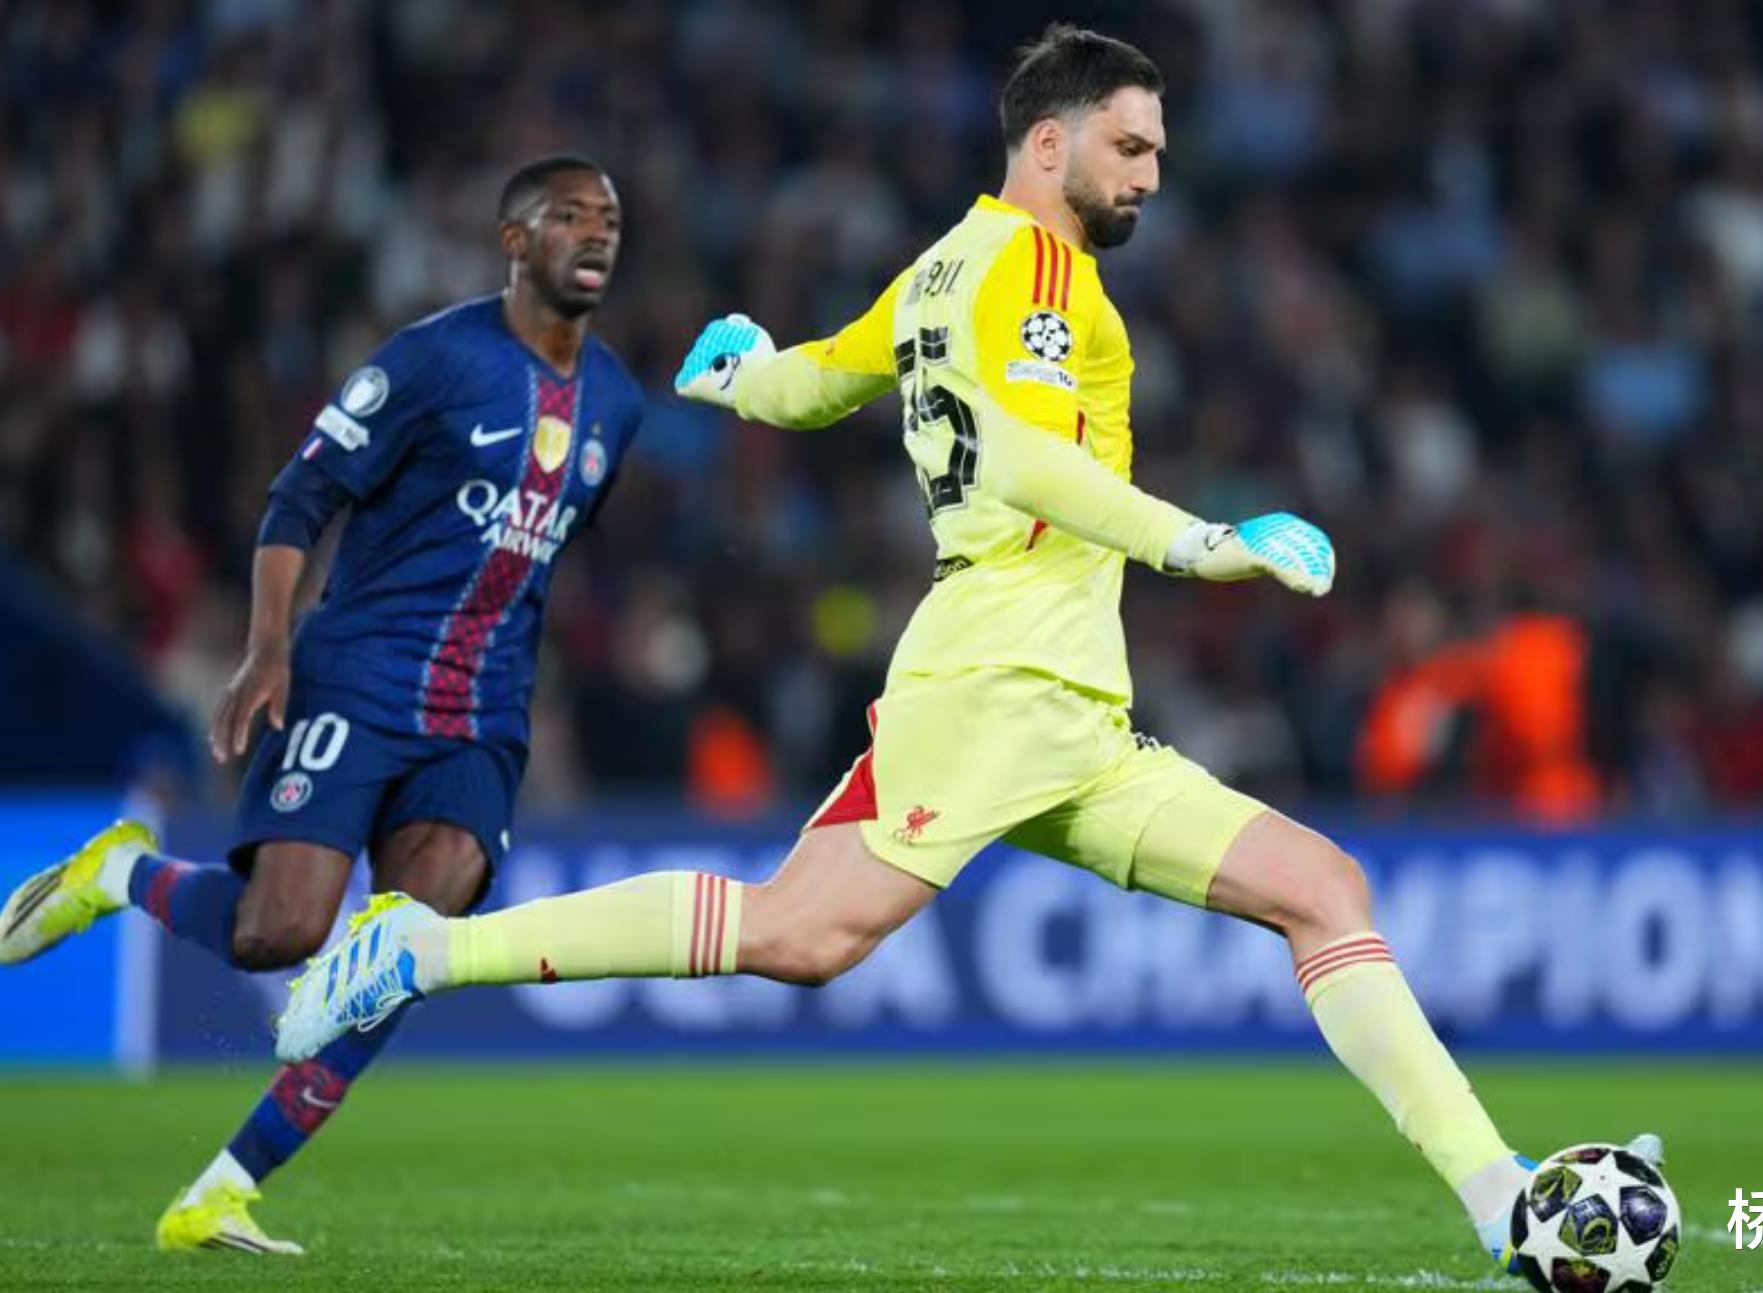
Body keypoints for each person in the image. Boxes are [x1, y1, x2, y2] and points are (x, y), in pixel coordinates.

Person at [276, 29, 1648, 1271]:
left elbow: (823, 379)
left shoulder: (947, 265)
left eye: (1158, 152)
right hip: (995, 684)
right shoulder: (1036, 270)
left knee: (1320, 888)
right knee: (799, 933)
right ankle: (422, 955)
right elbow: (1018, 456)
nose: (1151, 176)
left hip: (1072, 713)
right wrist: (1200, 543)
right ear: (1048, 142)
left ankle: (1502, 1204)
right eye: (1130, 147)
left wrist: (740, 377)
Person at [0, 154, 644, 1255]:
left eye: (610, 220)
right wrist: (268, 647)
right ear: (514, 241)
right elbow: (302, 494)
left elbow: (537, 559)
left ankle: (223, 1189)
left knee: (404, 950)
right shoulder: (433, 359)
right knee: (279, 933)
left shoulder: (616, 406)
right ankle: (120, 872)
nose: (595, 233)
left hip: (482, 716)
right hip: (360, 674)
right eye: (568, 215)